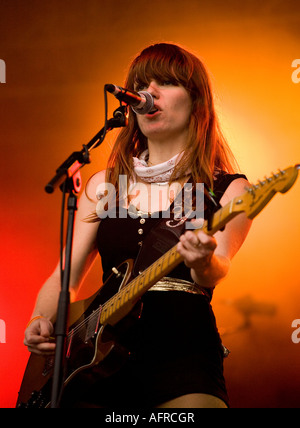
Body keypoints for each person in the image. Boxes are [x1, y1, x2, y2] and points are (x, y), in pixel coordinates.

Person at [23, 43, 252, 408]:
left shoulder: (224, 188)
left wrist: (202, 260)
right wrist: (41, 317)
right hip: (97, 361)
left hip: (182, 351)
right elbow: (65, 276)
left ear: (197, 101)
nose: (149, 93)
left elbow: (215, 269)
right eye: (142, 84)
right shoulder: (105, 185)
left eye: (165, 82)